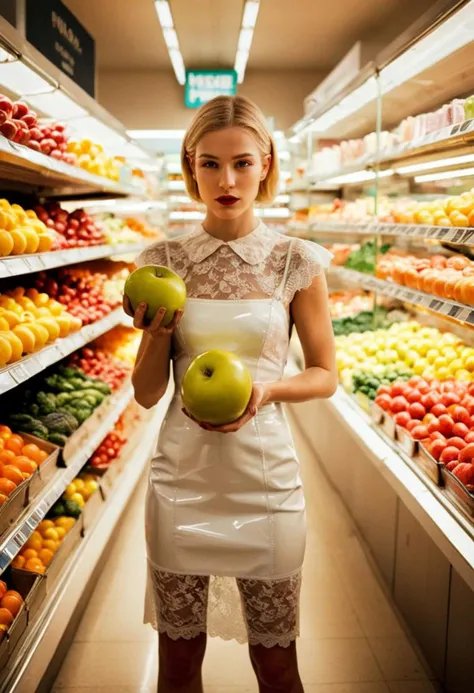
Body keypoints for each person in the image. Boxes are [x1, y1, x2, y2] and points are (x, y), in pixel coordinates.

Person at [124, 95, 337, 693]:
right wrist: (156, 337)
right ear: (190, 167)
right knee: (178, 659)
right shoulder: (161, 262)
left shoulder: (296, 261)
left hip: (266, 479)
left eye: (242, 163)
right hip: (181, 477)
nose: (227, 179)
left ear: (266, 164)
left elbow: (325, 373)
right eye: (210, 164)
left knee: (277, 663)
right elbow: (145, 395)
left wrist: (266, 391)